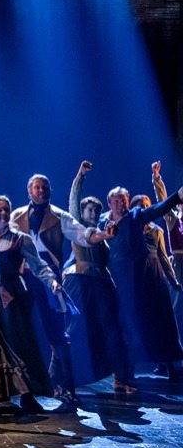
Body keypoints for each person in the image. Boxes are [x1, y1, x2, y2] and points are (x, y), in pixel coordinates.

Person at [11, 173, 114, 407]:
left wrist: (104, 234)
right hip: (23, 275)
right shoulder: (16, 216)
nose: (41, 191)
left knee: (57, 333)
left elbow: (83, 234)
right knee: (21, 331)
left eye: (45, 187)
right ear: (29, 191)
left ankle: (66, 386)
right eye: (37, 187)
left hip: (50, 278)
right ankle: (24, 390)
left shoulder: (59, 216)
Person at [0, 195, 64, 413]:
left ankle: (28, 394)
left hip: (13, 294)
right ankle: (0, 390)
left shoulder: (20, 238)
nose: (3, 213)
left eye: (6, 210)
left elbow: (39, 265)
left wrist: (52, 282)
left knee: (19, 342)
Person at [62, 161, 134, 392]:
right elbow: (73, 200)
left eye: (95, 210)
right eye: (88, 210)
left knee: (112, 329)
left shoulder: (105, 230)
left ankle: (119, 378)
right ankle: (62, 380)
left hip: (102, 284)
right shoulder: (77, 228)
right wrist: (80, 175)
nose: (92, 213)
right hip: (80, 282)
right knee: (72, 330)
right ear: (82, 213)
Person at [100, 183, 183, 374]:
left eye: (124, 200)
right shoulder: (102, 221)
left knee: (143, 316)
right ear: (110, 203)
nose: (121, 204)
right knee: (120, 319)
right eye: (117, 201)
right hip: (113, 276)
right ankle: (124, 367)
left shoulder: (136, 215)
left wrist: (177, 196)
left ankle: (162, 361)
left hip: (137, 274)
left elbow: (158, 208)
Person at [152, 161, 183, 352]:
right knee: (174, 309)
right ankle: (171, 353)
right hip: (178, 266)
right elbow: (163, 202)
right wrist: (157, 179)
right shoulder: (173, 220)